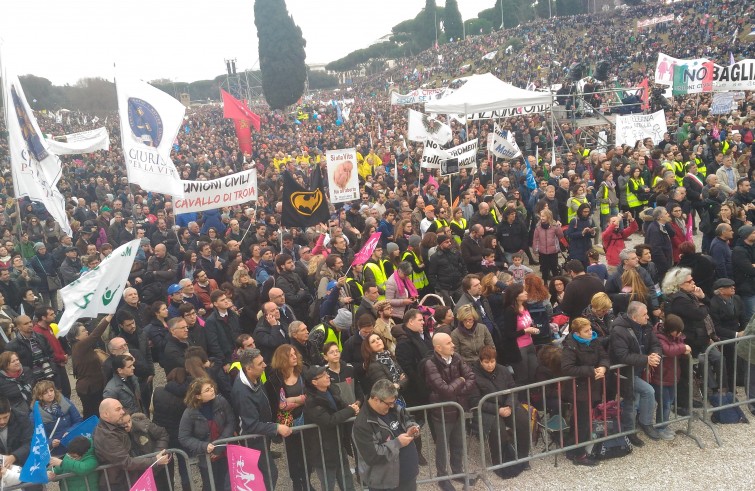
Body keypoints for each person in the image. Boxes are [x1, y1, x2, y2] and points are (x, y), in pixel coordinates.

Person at [664, 267, 727, 413]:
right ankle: (681, 404)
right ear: (679, 284)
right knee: (684, 373)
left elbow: (705, 310)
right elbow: (699, 314)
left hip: (698, 339)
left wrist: (703, 298)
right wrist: (702, 302)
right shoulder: (679, 299)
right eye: (689, 281)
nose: (693, 283)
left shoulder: (688, 295)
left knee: (716, 358)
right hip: (686, 340)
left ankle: (720, 392)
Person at [231, 349, 292, 490]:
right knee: (269, 474)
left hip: (262, 436)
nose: (265, 365)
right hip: (252, 440)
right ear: (249, 368)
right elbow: (251, 425)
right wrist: (276, 427)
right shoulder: (242, 392)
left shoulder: (255, 377)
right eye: (260, 363)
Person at [469, 345, 531, 477]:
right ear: (480, 361)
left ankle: (523, 457)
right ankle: (500, 461)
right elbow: (475, 400)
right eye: (486, 362)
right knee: (498, 428)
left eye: (492, 361)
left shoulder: (503, 370)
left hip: (507, 405)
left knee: (523, 421)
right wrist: (498, 410)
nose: (490, 365)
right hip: (487, 410)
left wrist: (509, 406)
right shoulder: (473, 375)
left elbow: (512, 388)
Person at [424, 332, 476, 490]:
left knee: (458, 442)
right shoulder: (430, 364)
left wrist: (457, 388)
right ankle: (442, 476)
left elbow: (471, 377)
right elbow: (444, 390)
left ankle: (457, 471)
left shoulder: (457, 357)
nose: (453, 345)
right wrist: (460, 381)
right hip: (442, 411)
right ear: (438, 348)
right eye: (448, 343)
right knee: (442, 445)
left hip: (459, 407)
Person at [609, 301, 662, 444]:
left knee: (635, 399)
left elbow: (655, 344)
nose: (648, 317)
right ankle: (635, 428)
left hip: (638, 369)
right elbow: (622, 356)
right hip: (624, 372)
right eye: (644, 315)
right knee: (640, 395)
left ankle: (636, 426)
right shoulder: (619, 330)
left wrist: (655, 355)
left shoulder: (646, 326)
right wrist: (646, 359)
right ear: (634, 318)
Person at [561, 317, 611, 465]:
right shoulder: (570, 346)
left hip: (591, 386)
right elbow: (567, 368)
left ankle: (572, 449)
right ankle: (579, 454)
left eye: (590, 329)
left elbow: (604, 356)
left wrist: (603, 367)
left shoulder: (594, 340)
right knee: (582, 421)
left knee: (582, 420)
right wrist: (591, 370)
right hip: (578, 388)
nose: (591, 332)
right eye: (586, 331)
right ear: (577, 333)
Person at [302, 365, 359, 491]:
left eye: (326, 372)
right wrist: (350, 410)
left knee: (347, 483)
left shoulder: (332, 390)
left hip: (338, 446)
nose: (328, 375)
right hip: (323, 452)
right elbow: (328, 420)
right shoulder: (311, 401)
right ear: (314, 382)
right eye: (323, 375)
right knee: (328, 485)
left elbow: (342, 406)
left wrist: (351, 408)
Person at [93, 398, 171, 491]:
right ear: (106, 414)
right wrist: (155, 460)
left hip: (130, 479)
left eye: (122, 408)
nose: (122, 412)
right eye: (118, 409)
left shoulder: (116, 425)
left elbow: (161, 434)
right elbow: (126, 462)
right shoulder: (105, 435)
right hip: (119, 484)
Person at [178, 377, 235, 491]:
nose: (212, 390)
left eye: (211, 387)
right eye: (207, 390)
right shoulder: (189, 413)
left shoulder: (221, 401)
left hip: (224, 451)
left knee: (225, 483)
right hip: (206, 456)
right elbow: (184, 437)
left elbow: (231, 422)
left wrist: (220, 445)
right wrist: (204, 446)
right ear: (198, 396)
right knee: (210, 485)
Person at [266, 344, 309, 491]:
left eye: (295, 354)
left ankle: (307, 482)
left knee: (307, 453)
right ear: (283, 358)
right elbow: (280, 404)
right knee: (293, 454)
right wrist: (300, 399)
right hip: (288, 422)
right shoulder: (274, 379)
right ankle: (297, 483)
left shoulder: (303, 372)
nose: (295, 357)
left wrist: (293, 399)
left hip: (306, 418)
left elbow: (309, 396)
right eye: (291, 355)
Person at [649, 314, 690, 441]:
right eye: (678, 331)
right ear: (671, 330)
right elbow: (668, 350)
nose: (680, 334)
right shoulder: (659, 337)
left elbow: (676, 347)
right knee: (664, 403)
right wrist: (683, 348)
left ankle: (664, 425)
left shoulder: (674, 336)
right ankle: (661, 427)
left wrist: (681, 346)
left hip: (671, 374)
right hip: (660, 376)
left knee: (669, 401)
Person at [66, 315, 112, 418]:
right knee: (93, 414)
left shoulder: (81, 346)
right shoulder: (80, 345)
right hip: (90, 390)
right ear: (76, 337)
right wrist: (108, 319)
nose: (87, 331)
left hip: (94, 386)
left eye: (86, 330)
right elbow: (95, 335)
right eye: (83, 331)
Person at [30, 379, 83, 455]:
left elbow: (78, 421)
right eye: (45, 393)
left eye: (51, 390)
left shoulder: (65, 402)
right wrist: (51, 442)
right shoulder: (35, 415)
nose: (50, 394)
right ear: (40, 396)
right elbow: (37, 437)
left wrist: (70, 432)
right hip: (56, 450)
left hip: (73, 442)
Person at [0, 395, 33, 475]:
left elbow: (30, 442)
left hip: (25, 464)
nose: (2, 422)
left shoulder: (22, 418)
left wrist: (14, 456)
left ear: (10, 411)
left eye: (5, 417)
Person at [645, 207, 674, 280]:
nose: (668, 214)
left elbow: (673, 233)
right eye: (666, 213)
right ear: (660, 217)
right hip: (661, 266)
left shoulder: (662, 225)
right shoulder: (654, 229)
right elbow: (656, 249)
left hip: (666, 261)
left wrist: (666, 223)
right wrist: (665, 264)